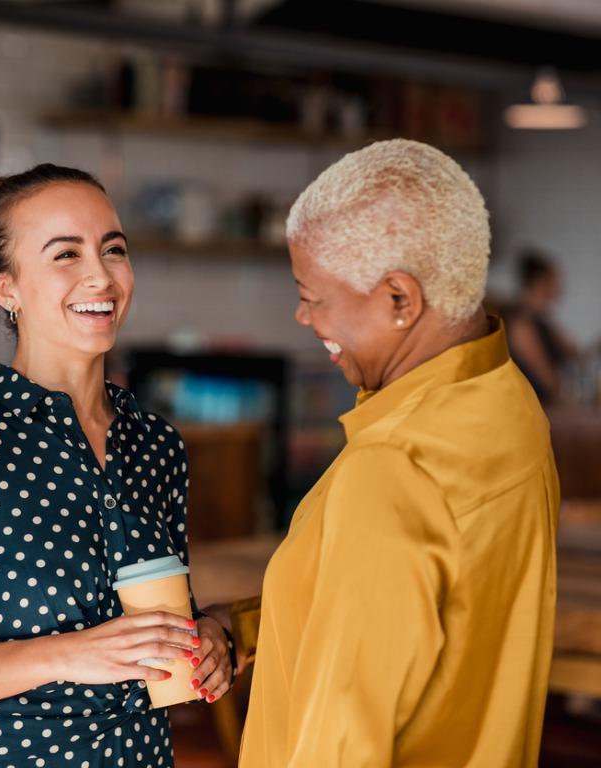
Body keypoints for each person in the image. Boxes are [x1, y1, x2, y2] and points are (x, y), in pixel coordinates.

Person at [0, 163, 233, 767]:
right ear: (7, 289)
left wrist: (211, 635)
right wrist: (68, 654)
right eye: (66, 255)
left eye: (114, 249)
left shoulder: (157, 446)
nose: (100, 276)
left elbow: (160, 618)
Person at [211, 140, 559, 766]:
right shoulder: (508, 405)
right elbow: (418, 614)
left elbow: (339, 745)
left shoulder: (394, 468)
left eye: (313, 294)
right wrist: (248, 627)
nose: (302, 315)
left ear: (399, 299)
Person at [507, 249, 579, 404]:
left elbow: (576, 354)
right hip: (534, 408)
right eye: (554, 281)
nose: (559, 288)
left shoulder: (543, 321)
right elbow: (549, 381)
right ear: (540, 282)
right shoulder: (522, 325)